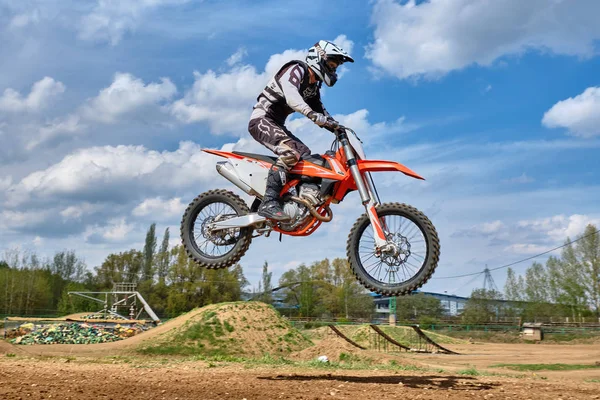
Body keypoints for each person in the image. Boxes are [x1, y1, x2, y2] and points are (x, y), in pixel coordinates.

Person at [248, 40, 354, 221]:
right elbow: (291, 96)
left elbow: (322, 112)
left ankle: (288, 198)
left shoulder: (313, 88)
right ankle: (269, 202)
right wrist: (311, 114)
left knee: (306, 157)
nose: (333, 71)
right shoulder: (297, 69)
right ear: (318, 58)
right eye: (331, 65)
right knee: (290, 153)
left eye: (335, 68)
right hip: (262, 119)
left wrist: (338, 129)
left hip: (277, 124)